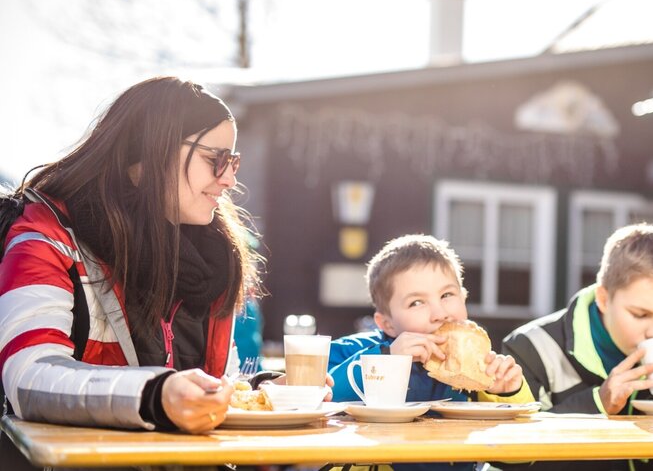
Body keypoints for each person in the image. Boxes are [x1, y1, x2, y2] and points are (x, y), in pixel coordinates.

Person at [0, 77, 264, 447]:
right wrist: (155, 396)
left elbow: (212, 385)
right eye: (215, 159)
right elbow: (29, 379)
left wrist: (262, 391)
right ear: (152, 151)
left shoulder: (213, 259)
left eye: (233, 161)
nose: (230, 179)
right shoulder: (47, 238)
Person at [502, 223, 653, 471]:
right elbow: (512, 460)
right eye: (640, 314)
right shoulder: (531, 347)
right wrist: (596, 405)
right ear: (603, 299)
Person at [328, 234, 534, 471]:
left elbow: (521, 457)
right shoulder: (355, 352)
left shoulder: (477, 369)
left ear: (464, 298)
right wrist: (387, 359)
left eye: (447, 295)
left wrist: (507, 395)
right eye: (417, 302)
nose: (439, 314)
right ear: (387, 324)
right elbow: (320, 400)